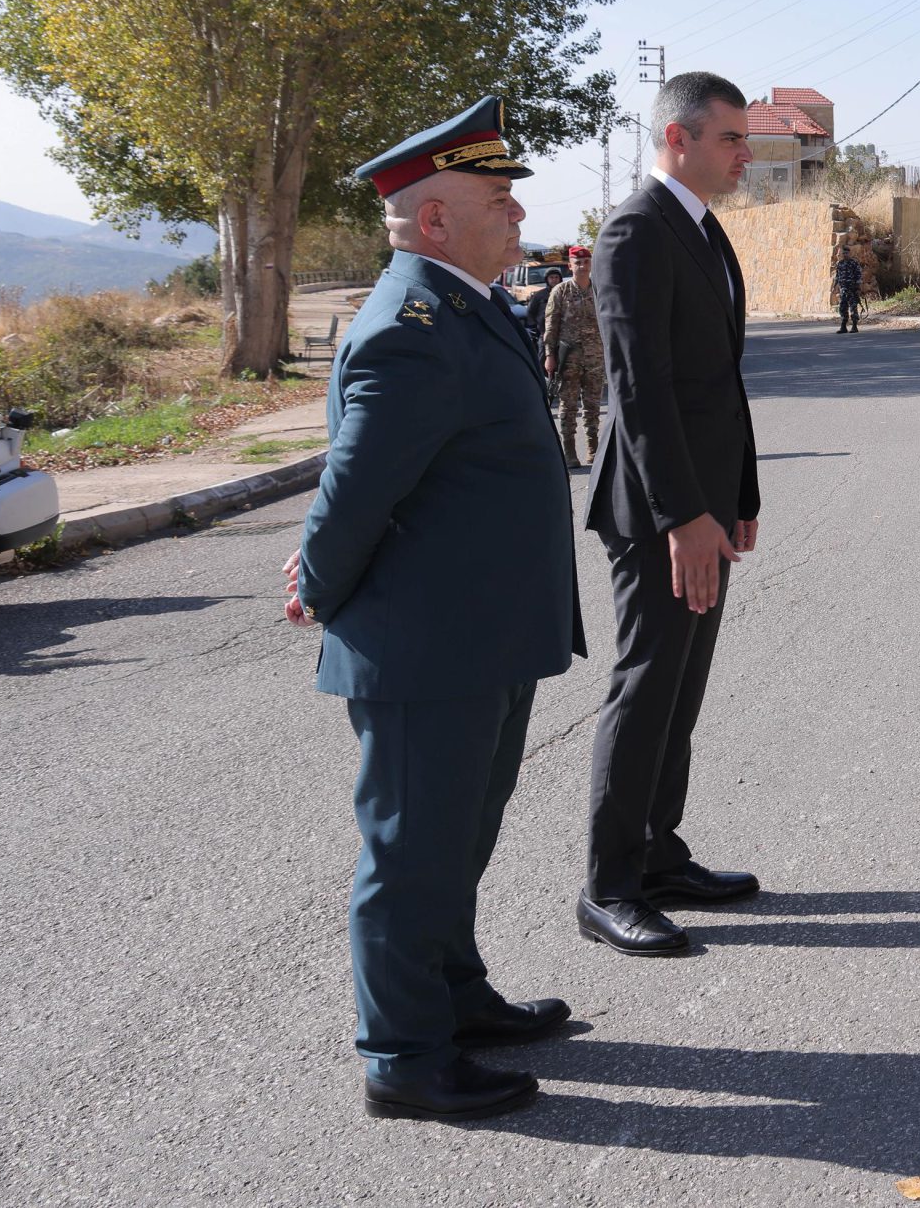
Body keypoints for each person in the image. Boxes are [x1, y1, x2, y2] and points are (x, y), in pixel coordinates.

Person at [286, 95, 582, 1123]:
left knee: (457, 839)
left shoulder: (464, 304)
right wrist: (316, 583)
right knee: (413, 852)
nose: (519, 213)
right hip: (427, 645)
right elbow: (356, 485)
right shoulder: (410, 326)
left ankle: (455, 997)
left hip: (480, 633)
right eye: (499, 200)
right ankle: (405, 1056)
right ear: (436, 219)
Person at [581, 71, 765, 957]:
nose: (746, 154)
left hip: (706, 504)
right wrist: (685, 515)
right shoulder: (635, 232)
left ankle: (659, 854)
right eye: (731, 138)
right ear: (677, 139)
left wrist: (742, 495)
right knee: (647, 685)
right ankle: (609, 886)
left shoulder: (701, 227)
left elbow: (721, 381)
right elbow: (640, 390)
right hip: (660, 512)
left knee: (681, 691)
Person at [542, 245, 604, 467]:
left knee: (593, 406)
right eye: (578, 263)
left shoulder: (599, 289)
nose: (582, 266)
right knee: (568, 407)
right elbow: (551, 325)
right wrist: (550, 355)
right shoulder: (561, 291)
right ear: (570, 266)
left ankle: (593, 449)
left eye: (586, 262)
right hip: (569, 358)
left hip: (595, 357)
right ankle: (569, 452)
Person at [832, 241, 865, 334]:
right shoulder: (840, 264)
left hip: (852, 289)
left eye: (846, 253)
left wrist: (858, 288)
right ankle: (843, 326)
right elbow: (837, 276)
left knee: (853, 307)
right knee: (842, 307)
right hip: (843, 290)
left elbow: (858, 276)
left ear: (849, 253)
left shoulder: (854, 263)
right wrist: (835, 286)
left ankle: (854, 326)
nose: (845, 255)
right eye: (844, 253)